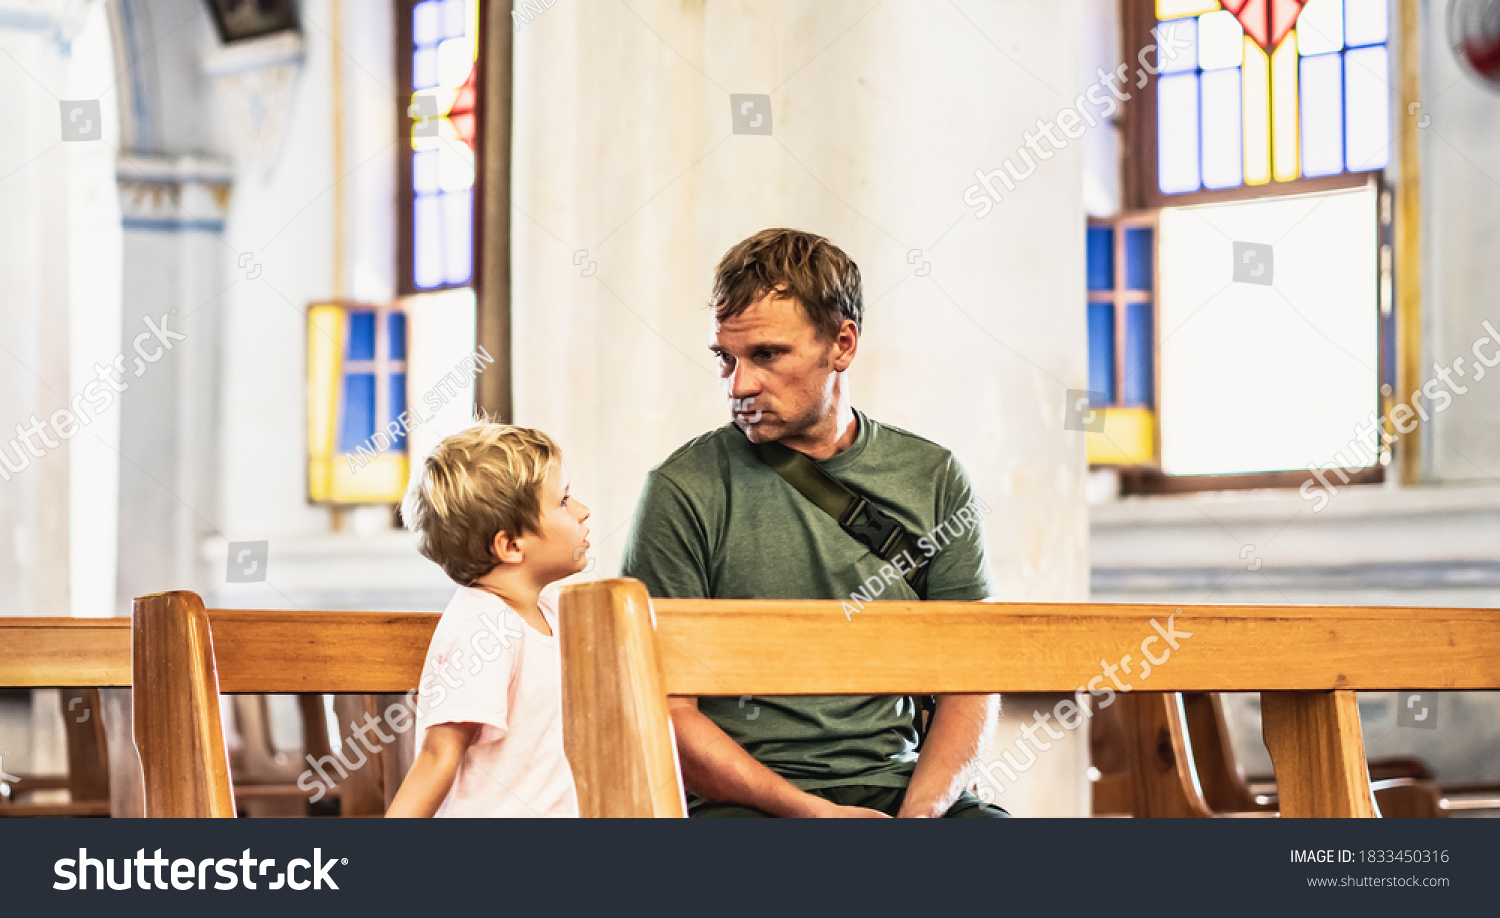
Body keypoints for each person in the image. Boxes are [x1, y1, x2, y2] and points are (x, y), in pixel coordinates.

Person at [621, 228, 1008, 818]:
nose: (739, 385)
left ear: (842, 344)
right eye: (726, 358)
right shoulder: (683, 488)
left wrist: (922, 815)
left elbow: (972, 681)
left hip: (903, 788)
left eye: (767, 355)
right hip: (745, 804)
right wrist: (810, 813)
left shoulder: (933, 476)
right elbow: (664, 710)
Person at [387, 423, 589, 818]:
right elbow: (438, 754)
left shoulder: (549, 612)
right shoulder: (485, 627)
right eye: (564, 501)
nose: (582, 511)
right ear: (511, 545)